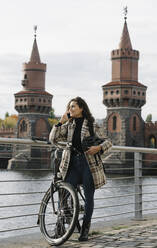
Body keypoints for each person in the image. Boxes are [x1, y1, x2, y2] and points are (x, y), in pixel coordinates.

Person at [49, 96, 112, 241]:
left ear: (81, 108)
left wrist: (98, 148)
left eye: (73, 107)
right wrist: (60, 122)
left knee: (89, 198)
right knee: (64, 194)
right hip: (71, 164)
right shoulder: (68, 125)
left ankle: (85, 230)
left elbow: (109, 142)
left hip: (88, 165)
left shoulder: (91, 124)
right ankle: (60, 228)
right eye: (69, 107)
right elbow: (53, 139)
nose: (70, 109)